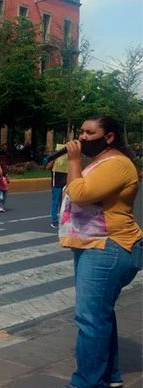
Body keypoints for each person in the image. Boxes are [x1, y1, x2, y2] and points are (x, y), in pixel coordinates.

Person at [60, 115, 142, 388]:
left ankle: (86, 383)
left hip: (108, 246)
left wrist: (73, 162)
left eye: (90, 132)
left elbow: (81, 194)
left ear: (109, 137)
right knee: (99, 314)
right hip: (94, 244)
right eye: (81, 131)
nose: (82, 137)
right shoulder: (102, 161)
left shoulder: (118, 164)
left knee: (90, 317)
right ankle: (109, 374)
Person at [45, 146, 68, 228]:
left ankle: (63, 220)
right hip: (56, 184)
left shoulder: (66, 160)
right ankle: (54, 220)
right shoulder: (54, 160)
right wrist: (55, 159)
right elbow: (47, 167)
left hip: (65, 184)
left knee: (64, 203)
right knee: (55, 202)